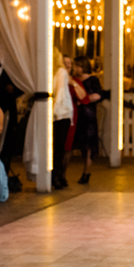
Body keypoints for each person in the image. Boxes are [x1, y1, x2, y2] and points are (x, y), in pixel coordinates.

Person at [72, 56, 102, 185]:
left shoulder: (93, 80)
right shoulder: (74, 80)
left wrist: (84, 99)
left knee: (88, 146)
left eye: (76, 65)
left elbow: (98, 95)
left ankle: (86, 172)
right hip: (77, 115)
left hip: (88, 116)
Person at [51, 53, 74, 190]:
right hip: (57, 111)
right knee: (55, 146)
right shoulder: (54, 72)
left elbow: (60, 93)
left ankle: (56, 175)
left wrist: (53, 110)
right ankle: (54, 175)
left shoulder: (61, 72)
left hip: (61, 112)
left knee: (59, 146)